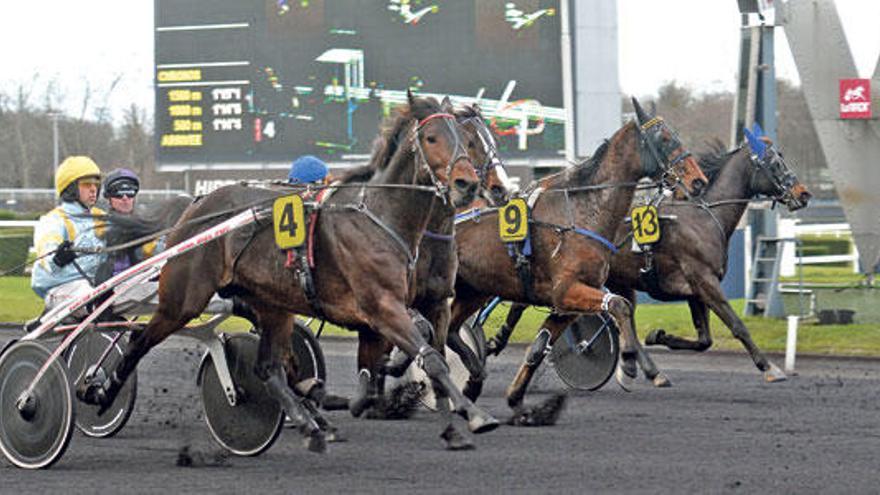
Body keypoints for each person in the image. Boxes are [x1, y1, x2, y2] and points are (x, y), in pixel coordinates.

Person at [31, 156, 106, 312]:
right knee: (92, 296)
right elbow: (47, 247)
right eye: (87, 184)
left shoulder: (101, 218)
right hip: (61, 289)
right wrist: (57, 258)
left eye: (96, 184)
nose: (94, 189)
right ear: (70, 189)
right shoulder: (54, 220)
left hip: (93, 288)